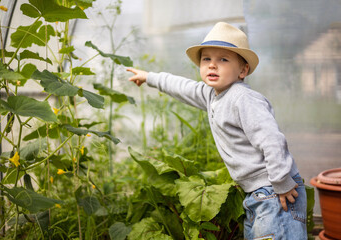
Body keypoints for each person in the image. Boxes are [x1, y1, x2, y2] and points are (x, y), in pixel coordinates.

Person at [127, 22, 307, 239]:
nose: (213, 65)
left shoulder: (243, 99)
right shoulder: (212, 94)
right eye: (207, 59)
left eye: (223, 59)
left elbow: (272, 140)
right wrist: (150, 77)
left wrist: (281, 182)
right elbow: (183, 87)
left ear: (243, 70)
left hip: (276, 191)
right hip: (256, 194)